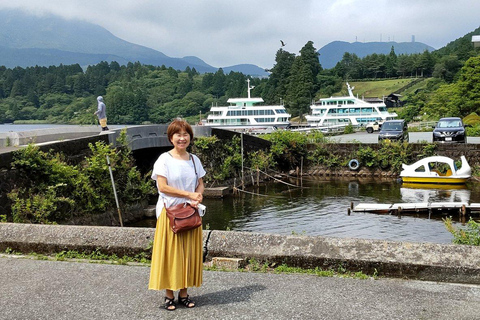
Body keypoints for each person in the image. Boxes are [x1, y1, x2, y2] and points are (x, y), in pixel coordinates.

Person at [148, 118, 206, 311]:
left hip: (190, 212)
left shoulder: (194, 160)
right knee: (171, 254)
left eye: (185, 134)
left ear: (190, 137)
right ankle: (169, 295)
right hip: (170, 212)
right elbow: (162, 187)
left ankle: (184, 293)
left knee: (188, 253)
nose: (182, 138)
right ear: (171, 138)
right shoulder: (164, 159)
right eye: (178, 135)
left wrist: (198, 195)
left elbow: (200, 182)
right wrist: (188, 194)